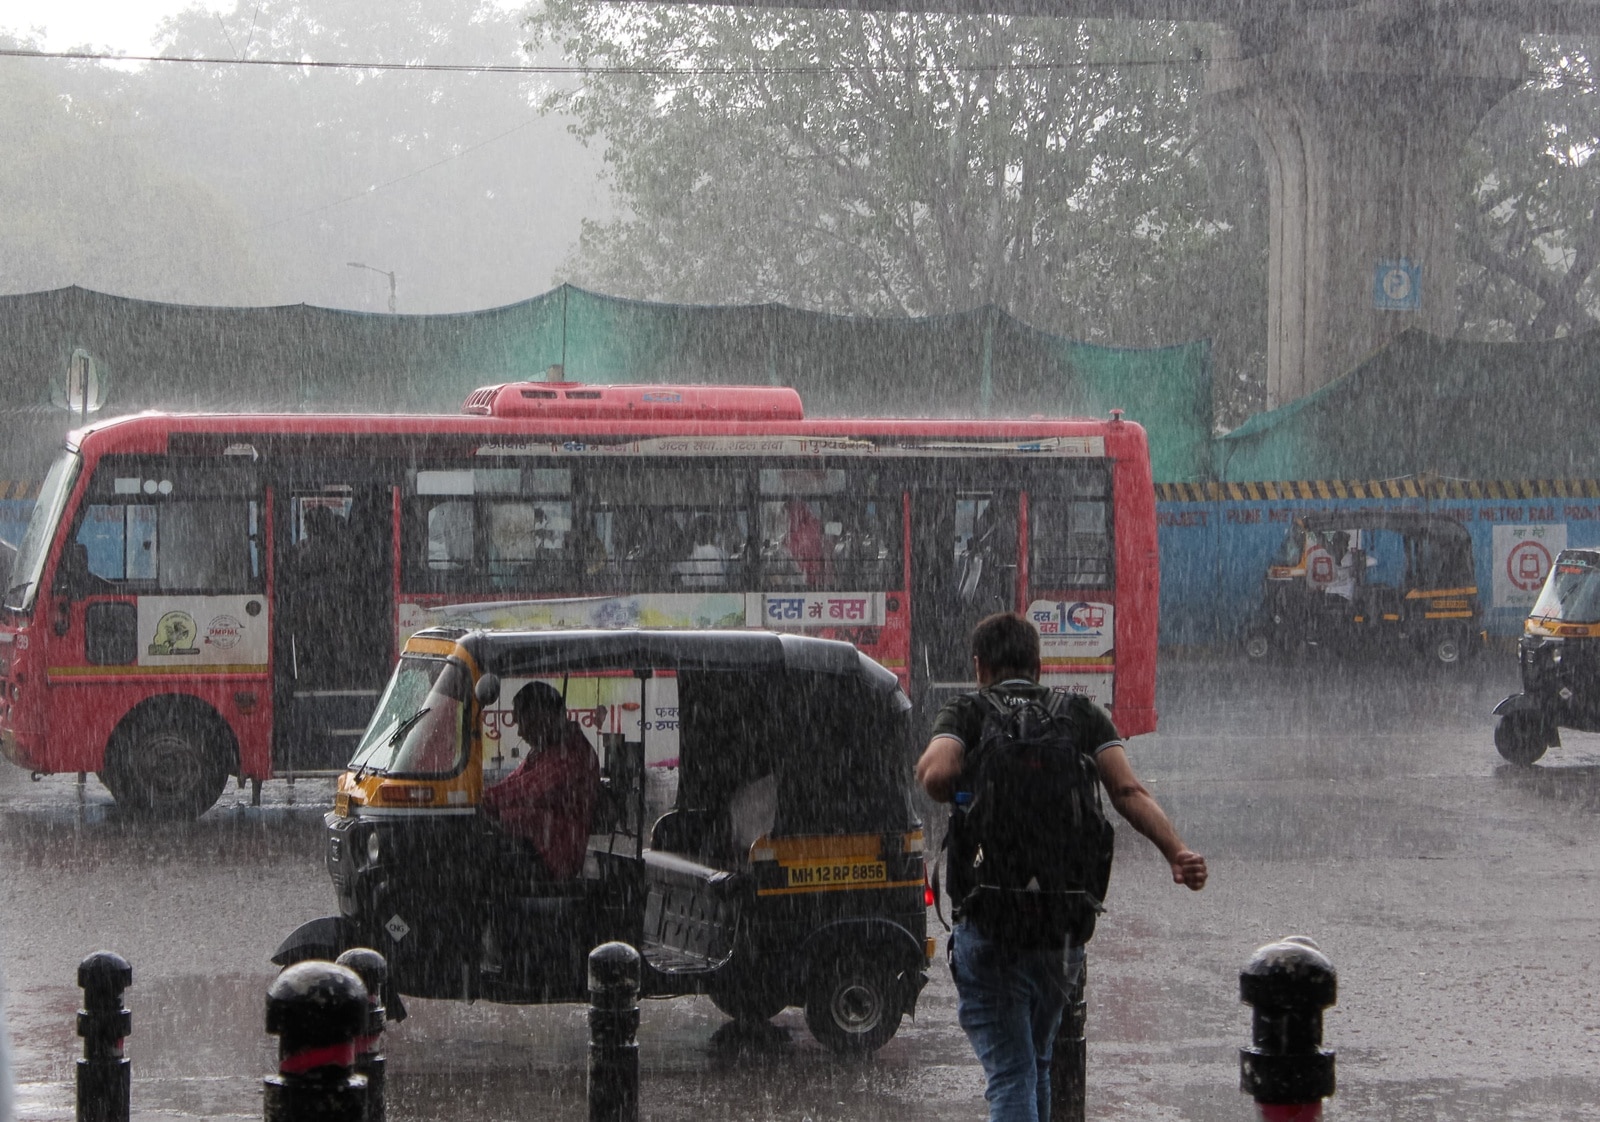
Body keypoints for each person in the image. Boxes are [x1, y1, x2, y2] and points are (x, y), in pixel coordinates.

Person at [916, 612, 1207, 1122]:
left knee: (1011, 1073)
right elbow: (1127, 792)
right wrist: (1176, 852)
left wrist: (969, 788)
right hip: (1061, 925)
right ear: (1039, 665)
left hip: (992, 917)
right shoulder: (1079, 713)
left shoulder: (968, 709)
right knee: (1039, 1062)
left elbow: (936, 775)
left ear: (979, 665)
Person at [481, 681, 601, 881]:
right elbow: (512, 783)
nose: (519, 733)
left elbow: (528, 789)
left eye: (522, 723)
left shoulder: (573, 752)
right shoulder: (542, 750)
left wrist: (484, 800)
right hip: (528, 848)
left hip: (550, 861)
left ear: (542, 717)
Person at [674, 514, 729, 589]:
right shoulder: (709, 551)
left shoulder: (688, 551)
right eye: (715, 530)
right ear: (710, 532)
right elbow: (712, 582)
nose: (717, 534)